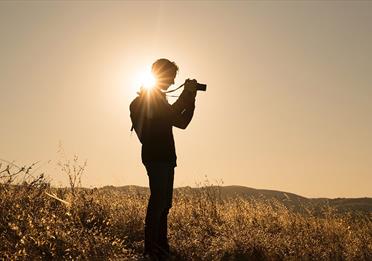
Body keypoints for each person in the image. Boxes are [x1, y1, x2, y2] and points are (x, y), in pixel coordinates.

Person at [129, 58, 198, 260]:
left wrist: (190, 98)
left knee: (164, 204)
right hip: (156, 156)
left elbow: (181, 122)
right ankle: (151, 250)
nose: (172, 82)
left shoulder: (158, 99)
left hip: (165, 156)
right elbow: (173, 115)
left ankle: (161, 249)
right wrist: (188, 94)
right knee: (158, 202)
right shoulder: (146, 99)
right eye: (171, 77)